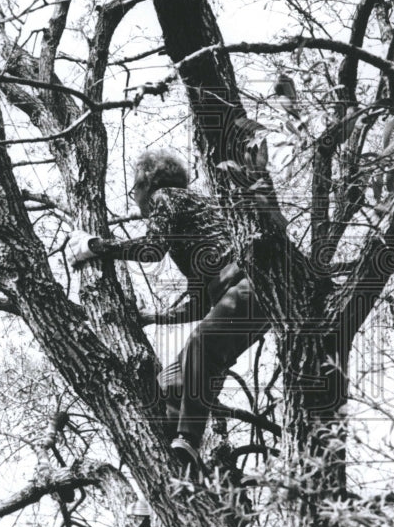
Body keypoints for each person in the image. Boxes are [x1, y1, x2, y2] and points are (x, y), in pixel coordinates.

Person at [67, 149, 268, 477]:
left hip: (250, 287)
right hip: (242, 301)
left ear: (148, 183)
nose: (135, 200)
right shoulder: (190, 217)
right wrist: (153, 317)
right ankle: (172, 474)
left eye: (135, 190)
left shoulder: (167, 196)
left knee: (201, 347)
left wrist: (96, 246)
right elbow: (201, 303)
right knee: (169, 383)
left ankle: (187, 439)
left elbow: (151, 248)